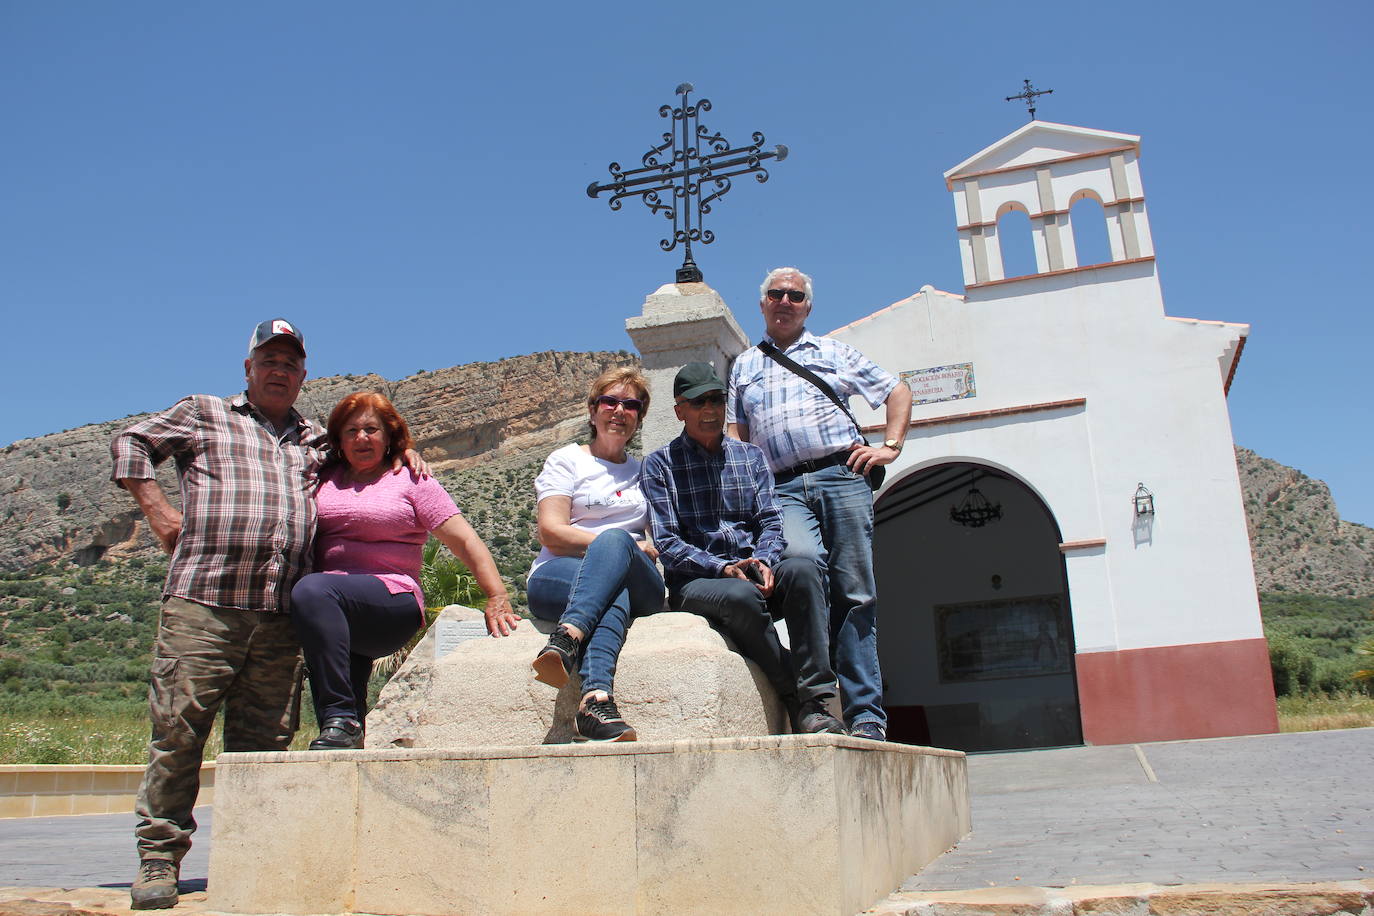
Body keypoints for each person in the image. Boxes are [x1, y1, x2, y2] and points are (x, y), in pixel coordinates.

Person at [109, 319, 422, 910]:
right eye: (269, 360)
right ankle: (158, 861)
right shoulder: (205, 413)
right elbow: (131, 442)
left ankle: (250, 859)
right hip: (204, 604)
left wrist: (410, 449)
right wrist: (156, 509)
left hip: (281, 617)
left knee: (264, 744)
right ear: (248, 368)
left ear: (303, 375)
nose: (279, 370)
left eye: (290, 362)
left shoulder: (315, 437)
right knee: (178, 733)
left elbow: (374, 442)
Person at [727, 268, 913, 741]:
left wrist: (889, 446)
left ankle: (866, 715)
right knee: (802, 564)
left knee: (854, 593)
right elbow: (736, 433)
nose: (785, 301)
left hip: (842, 475)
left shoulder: (833, 352)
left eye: (795, 295)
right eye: (776, 294)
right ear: (762, 304)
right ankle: (817, 698)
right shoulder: (745, 365)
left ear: (807, 306)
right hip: (782, 487)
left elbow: (896, 391)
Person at [290, 391, 518, 750]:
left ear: (389, 435)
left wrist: (497, 595)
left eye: (371, 429)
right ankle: (342, 738)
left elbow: (464, 541)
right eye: (351, 431)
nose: (361, 438)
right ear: (338, 439)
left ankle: (339, 717)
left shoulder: (411, 479)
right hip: (331, 607)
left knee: (312, 591)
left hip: (392, 600)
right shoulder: (323, 477)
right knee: (327, 622)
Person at [640, 362, 836, 733]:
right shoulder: (659, 465)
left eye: (717, 399)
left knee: (805, 571)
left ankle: (818, 696)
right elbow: (666, 542)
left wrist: (762, 560)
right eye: (699, 403)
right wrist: (722, 568)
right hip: (699, 583)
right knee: (740, 597)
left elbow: (772, 520)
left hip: (753, 571)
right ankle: (799, 698)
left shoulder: (751, 457)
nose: (710, 410)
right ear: (680, 410)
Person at [526, 367, 664, 742]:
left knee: (617, 543)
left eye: (631, 404)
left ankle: (567, 637)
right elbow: (551, 532)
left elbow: (661, 536)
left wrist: (627, 545)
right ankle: (596, 701)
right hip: (559, 573)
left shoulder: (646, 472)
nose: (620, 411)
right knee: (610, 584)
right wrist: (613, 543)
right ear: (592, 410)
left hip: (640, 579)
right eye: (610, 401)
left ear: (640, 416)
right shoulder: (567, 460)